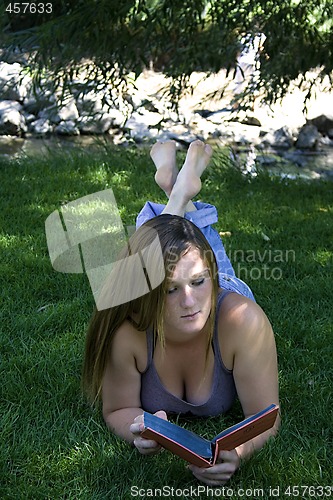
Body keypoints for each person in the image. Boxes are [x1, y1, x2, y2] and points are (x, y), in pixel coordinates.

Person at [82, 140, 280, 486]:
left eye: (199, 283)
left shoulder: (243, 321)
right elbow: (116, 410)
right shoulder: (130, 331)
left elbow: (266, 417)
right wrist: (137, 434)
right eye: (171, 290)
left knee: (182, 251)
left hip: (227, 293)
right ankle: (179, 190)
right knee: (159, 253)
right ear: (148, 294)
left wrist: (239, 452)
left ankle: (179, 194)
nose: (190, 302)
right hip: (168, 288)